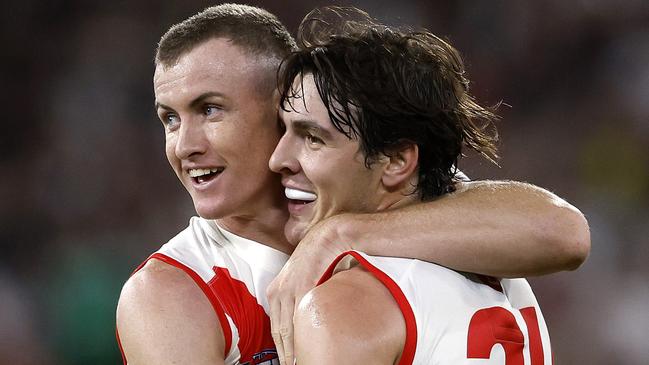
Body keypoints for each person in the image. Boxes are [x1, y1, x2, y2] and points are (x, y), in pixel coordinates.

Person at [116, 4, 589, 365]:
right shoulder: (171, 292)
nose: (184, 145)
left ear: (284, 106)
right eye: (169, 119)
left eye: (210, 110)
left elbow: (564, 232)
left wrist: (338, 235)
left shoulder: (402, 211)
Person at [269, 7, 554, 364]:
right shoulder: (502, 270)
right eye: (284, 130)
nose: (277, 159)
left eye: (312, 138)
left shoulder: (343, 307)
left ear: (397, 161)